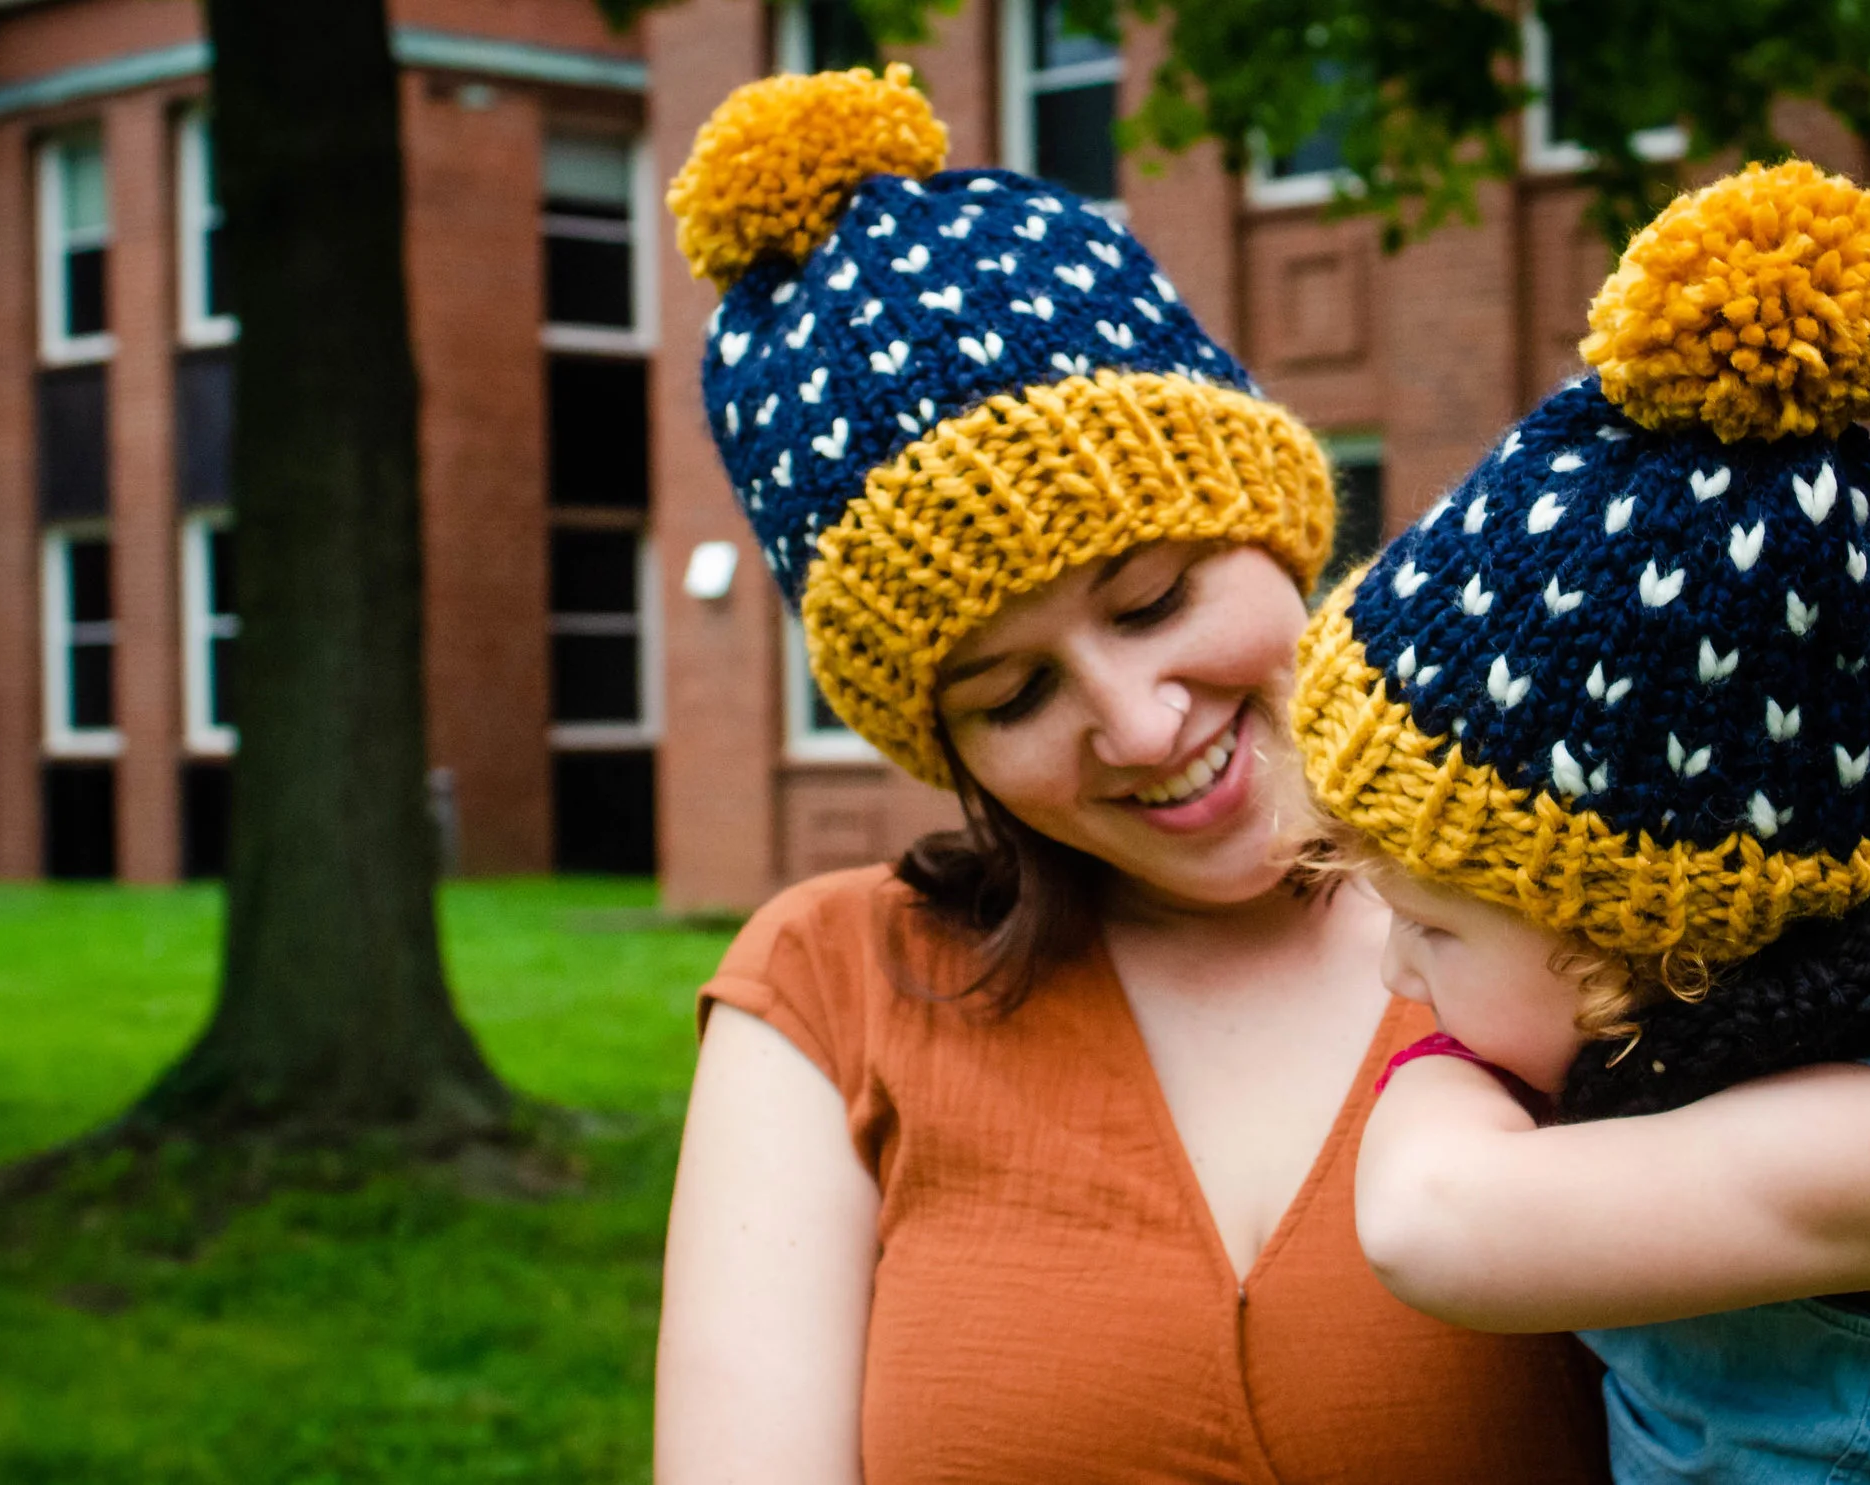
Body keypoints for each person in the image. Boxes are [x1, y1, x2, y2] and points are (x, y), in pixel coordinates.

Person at [653, 66, 1610, 1482]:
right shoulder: (832, 994)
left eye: (1156, 601)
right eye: (1014, 692)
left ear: (1278, 535)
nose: (1144, 728)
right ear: (944, 744)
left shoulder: (1597, 886)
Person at [1290, 160, 1870, 1482]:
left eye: (1431, 926)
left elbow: (1431, 1227)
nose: (1395, 968)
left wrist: (1437, 1066)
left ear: (1656, 944)